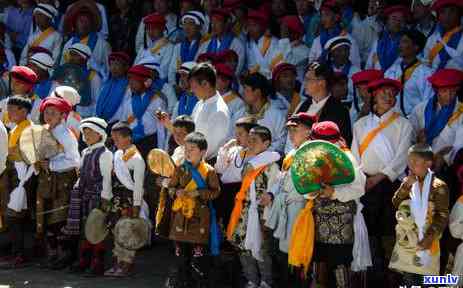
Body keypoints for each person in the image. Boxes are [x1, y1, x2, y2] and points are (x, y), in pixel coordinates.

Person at [351, 78, 413, 287]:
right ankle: (371, 274)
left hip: (390, 185)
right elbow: (355, 155)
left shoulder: (404, 124)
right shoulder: (360, 125)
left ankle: (392, 275)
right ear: (373, 96)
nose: (388, 96)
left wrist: (378, 177)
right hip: (365, 184)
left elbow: (402, 157)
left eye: (392, 93)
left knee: (390, 230)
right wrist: (361, 179)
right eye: (383, 92)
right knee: (368, 230)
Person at [308, 121, 368, 288]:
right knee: (319, 262)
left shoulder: (348, 159)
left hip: (341, 223)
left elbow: (359, 188)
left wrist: (334, 193)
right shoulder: (312, 157)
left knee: (340, 264)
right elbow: (304, 185)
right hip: (318, 220)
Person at [164, 131, 221, 288]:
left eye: (192, 149)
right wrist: (176, 192)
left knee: (198, 260)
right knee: (180, 259)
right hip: (180, 219)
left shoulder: (209, 171)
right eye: (186, 149)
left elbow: (216, 192)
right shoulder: (180, 169)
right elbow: (170, 188)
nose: (188, 153)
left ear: (202, 152)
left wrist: (198, 192)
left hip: (199, 220)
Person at [265, 112, 316, 286]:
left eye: (296, 129)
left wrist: (286, 197)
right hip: (285, 206)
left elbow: (309, 186)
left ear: (308, 131)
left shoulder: (312, 153)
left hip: (299, 208)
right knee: (283, 252)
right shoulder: (292, 153)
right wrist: (272, 193)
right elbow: (281, 178)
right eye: (289, 130)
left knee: (296, 253)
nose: (291, 134)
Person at [390, 144, 449, 285]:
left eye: (415, 162)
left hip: (428, 239)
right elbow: (396, 202)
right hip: (409, 240)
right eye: (409, 161)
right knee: (409, 280)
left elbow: (442, 215)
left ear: (428, 163)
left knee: (426, 280)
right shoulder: (408, 182)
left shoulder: (438, 186)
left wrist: (429, 237)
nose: (410, 165)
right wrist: (406, 186)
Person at [62, 117, 113, 276]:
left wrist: (105, 200)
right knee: (85, 228)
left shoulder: (105, 154)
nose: (87, 135)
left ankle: (97, 264)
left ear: (100, 134)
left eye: (91, 132)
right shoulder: (85, 152)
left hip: (97, 196)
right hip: (84, 195)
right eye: (85, 132)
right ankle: (85, 260)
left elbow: (107, 178)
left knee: (96, 229)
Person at [35, 97, 79, 270]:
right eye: (46, 112)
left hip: (63, 181)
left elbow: (75, 161)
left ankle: (66, 255)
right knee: (46, 217)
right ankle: (52, 253)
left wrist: (52, 164)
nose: (49, 115)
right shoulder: (43, 130)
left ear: (62, 115)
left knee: (60, 218)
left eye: (53, 113)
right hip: (46, 180)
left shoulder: (66, 135)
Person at [104, 122, 147, 277]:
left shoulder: (137, 158)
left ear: (128, 138)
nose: (114, 141)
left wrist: (136, 205)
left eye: (117, 138)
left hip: (129, 199)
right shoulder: (117, 154)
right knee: (116, 230)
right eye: (113, 138)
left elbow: (138, 186)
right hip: (117, 198)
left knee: (127, 231)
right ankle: (117, 262)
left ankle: (127, 263)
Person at [0, 96, 35, 269]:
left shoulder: (29, 129)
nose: (9, 112)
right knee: (15, 217)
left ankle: (20, 255)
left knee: (16, 217)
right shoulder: (15, 129)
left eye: (13, 109)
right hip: (14, 177)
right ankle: (17, 253)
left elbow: (29, 157)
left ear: (24, 111)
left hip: (24, 179)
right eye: (9, 109)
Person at [409, 69, 463, 173]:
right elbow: (410, 136)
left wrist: (443, 158)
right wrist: (418, 141)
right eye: (444, 91)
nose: (449, 96)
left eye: (452, 91)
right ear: (436, 90)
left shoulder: (460, 112)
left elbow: (459, 145)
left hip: (445, 166)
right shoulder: (420, 109)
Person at [215, 116, 258, 228]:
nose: (236, 137)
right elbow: (219, 168)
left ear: (251, 135)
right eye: (236, 133)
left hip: (238, 190)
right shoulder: (234, 149)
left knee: (233, 222)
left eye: (240, 134)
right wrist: (225, 148)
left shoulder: (255, 154)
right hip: (224, 189)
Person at [295, 61, 352, 145]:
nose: (305, 84)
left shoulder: (339, 111)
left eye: (308, 79)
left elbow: (342, 143)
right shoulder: (303, 105)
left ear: (322, 83)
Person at [385, 29, 434, 117]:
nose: (400, 45)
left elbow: (428, 103)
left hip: (415, 122)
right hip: (392, 120)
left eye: (405, 42)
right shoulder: (391, 71)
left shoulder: (426, 73)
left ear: (416, 47)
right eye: (400, 42)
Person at [234, 72, 287, 154]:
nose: (243, 93)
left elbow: (281, 143)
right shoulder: (239, 115)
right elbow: (230, 138)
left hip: (266, 162)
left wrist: (260, 153)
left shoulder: (277, 115)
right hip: (239, 161)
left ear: (257, 92)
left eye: (246, 89)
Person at [123, 64, 167, 158]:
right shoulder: (128, 102)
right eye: (129, 81)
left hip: (151, 142)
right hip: (133, 142)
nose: (131, 84)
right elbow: (125, 124)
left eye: (134, 81)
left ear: (146, 83)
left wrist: (161, 150)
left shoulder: (157, 101)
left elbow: (161, 127)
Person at [189, 63, 231, 164]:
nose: (192, 90)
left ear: (205, 84)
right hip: (193, 159)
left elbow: (209, 150)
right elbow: (190, 132)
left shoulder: (220, 112)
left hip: (207, 167)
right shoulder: (199, 103)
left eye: (194, 87)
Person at [60, 6, 111, 79]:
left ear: (92, 24)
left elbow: (108, 71)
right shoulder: (68, 44)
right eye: (81, 21)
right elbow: (62, 66)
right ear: (76, 23)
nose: (84, 24)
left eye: (87, 21)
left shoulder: (103, 45)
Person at [309, 0, 361, 68]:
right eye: (322, 15)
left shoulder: (349, 40)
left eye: (327, 15)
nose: (323, 19)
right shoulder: (317, 40)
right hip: (321, 77)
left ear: (336, 17)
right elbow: (311, 66)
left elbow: (355, 67)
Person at [58, 43, 102, 119]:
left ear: (84, 58)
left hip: (84, 116)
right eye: (71, 55)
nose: (71, 58)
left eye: (75, 55)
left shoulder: (93, 76)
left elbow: (97, 101)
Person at [198, 8, 245, 75]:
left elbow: (237, 69)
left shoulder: (237, 45)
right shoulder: (205, 44)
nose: (214, 25)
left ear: (226, 24)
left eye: (218, 21)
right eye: (212, 22)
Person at [168, 11, 207, 85]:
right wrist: (174, 85)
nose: (187, 27)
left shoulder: (205, 45)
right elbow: (172, 70)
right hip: (180, 86)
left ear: (199, 27)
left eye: (191, 24)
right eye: (185, 23)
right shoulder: (178, 47)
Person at [133, 13, 174, 83]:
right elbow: (135, 66)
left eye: (154, 28)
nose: (150, 32)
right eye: (148, 29)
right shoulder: (143, 47)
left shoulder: (169, 46)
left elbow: (164, 70)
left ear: (162, 29)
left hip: (157, 82)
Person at [366, 5, 408, 71]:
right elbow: (368, 67)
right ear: (387, 21)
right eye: (394, 18)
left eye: (401, 20)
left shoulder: (408, 44)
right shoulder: (378, 42)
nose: (397, 22)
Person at [423, 0, 463, 70]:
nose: (447, 16)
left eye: (452, 11)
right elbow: (426, 65)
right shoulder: (432, 39)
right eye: (442, 12)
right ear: (438, 16)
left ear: (459, 14)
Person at [324, 36, 361, 110]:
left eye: (346, 50)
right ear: (331, 53)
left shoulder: (357, 72)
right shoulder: (324, 71)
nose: (343, 53)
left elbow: (360, 99)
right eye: (339, 50)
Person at [244, 9, 282, 79]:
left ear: (263, 27)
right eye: (249, 25)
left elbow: (276, 67)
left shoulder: (275, 43)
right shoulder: (248, 43)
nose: (250, 28)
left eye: (254, 25)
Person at [95, 52, 131, 125]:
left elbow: (125, 110)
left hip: (117, 124)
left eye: (117, 64)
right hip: (100, 122)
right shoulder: (106, 83)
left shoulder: (129, 86)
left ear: (126, 67)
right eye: (111, 64)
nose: (113, 68)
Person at [278, 16, 310, 83]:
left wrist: (284, 39)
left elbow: (286, 64)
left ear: (294, 33)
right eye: (282, 29)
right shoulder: (282, 44)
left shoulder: (305, 50)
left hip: (296, 86)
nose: (282, 32)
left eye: (285, 30)